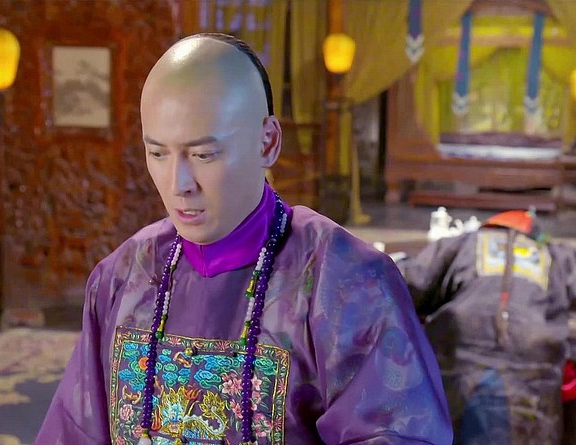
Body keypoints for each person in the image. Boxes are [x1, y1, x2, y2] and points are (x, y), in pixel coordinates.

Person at [35, 33, 452, 445]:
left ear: (267, 142)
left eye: (203, 154)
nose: (179, 184)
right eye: (158, 153)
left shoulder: (344, 283)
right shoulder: (123, 277)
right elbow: (73, 431)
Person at [392, 209, 576, 445]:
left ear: (488, 227)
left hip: (461, 353)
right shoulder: (553, 254)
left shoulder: (462, 243)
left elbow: (408, 279)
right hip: (533, 361)